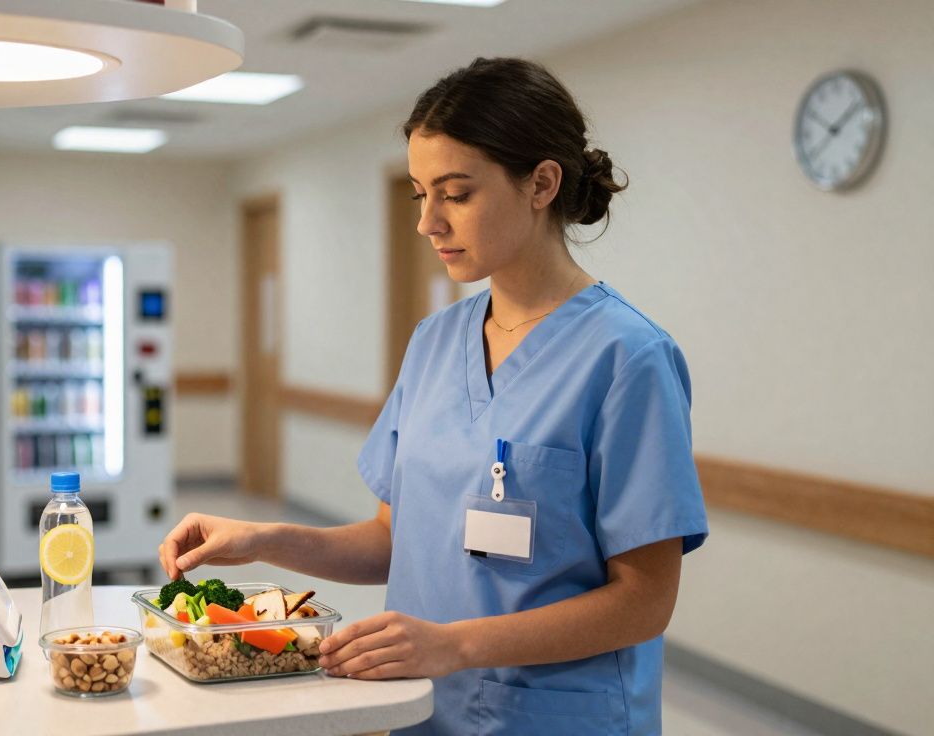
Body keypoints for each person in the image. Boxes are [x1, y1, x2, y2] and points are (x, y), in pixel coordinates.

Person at [158, 57, 708, 736]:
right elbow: (396, 539)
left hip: (554, 717)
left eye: (456, 193)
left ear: (541, 183)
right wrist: (265, 540)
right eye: (421, 194)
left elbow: (643, 604)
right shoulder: (435, 342)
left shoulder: (627, 358)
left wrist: (457, 644)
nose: (428, 222)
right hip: (423, 707)